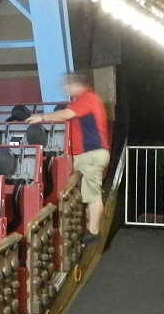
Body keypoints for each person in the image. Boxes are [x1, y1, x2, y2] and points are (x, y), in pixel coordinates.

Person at [28, 72, 110, 245]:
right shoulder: (85, 99)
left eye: (67, 86)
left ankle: (93, 232)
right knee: (88, 193)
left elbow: (65, 115)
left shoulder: (87, 98)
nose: (65, 89)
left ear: (75, 85)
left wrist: (41, 118)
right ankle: (90, 228)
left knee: (93, 194)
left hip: (92, 154)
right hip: (88, 154)